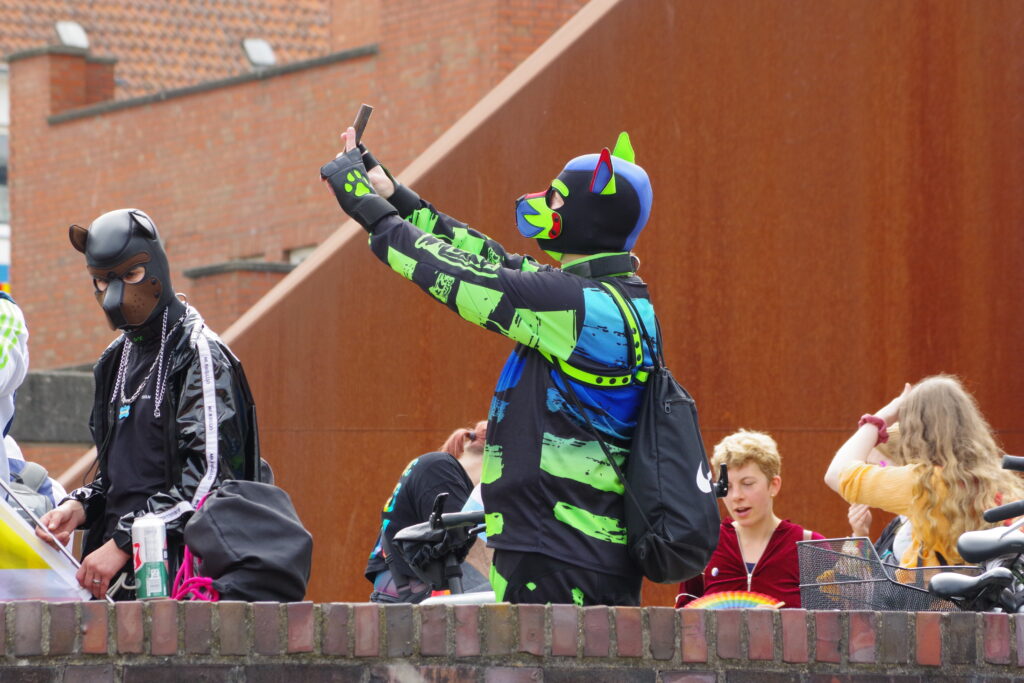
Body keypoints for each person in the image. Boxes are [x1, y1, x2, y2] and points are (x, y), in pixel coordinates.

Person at [322, 126, 658, 605]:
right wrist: (394, 196)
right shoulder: (612, 299)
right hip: (581, 549)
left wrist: (366, 208)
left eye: (557, 199)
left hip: (560, 553)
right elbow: (491, 258)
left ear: (593, 212)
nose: (544, 203)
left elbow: (461, 275)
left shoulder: (577, 307)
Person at [37, 208, 261, 599]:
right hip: (115, 578)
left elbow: (211, 479)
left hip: (188, 577)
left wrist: (124, 542)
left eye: (130, 275)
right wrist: (80, 507)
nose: (116, 293)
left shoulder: (197, 353)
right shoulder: (113, 361)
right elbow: (121, 476)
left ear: (155, 265)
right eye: (102, 280)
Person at [825, 375, 1024, 567]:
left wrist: (881, 418)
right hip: (987, 598)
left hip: (933, 600)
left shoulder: (925, 483)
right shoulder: (996, 479)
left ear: (914, 432)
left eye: (881, 466)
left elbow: (836, 474)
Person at [676, 430, 823, 608]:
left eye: (747, 484)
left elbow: (834, 625)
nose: (736, 496)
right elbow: (684, 622)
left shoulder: (811, 546)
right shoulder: (704, 544)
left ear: (774, 485)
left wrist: (780, 625)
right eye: (727, 487)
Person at [365, 420, 488, 602]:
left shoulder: (436, 468)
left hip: (400, 593)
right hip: (410, 598)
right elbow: (463, 553)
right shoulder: (441, 470)